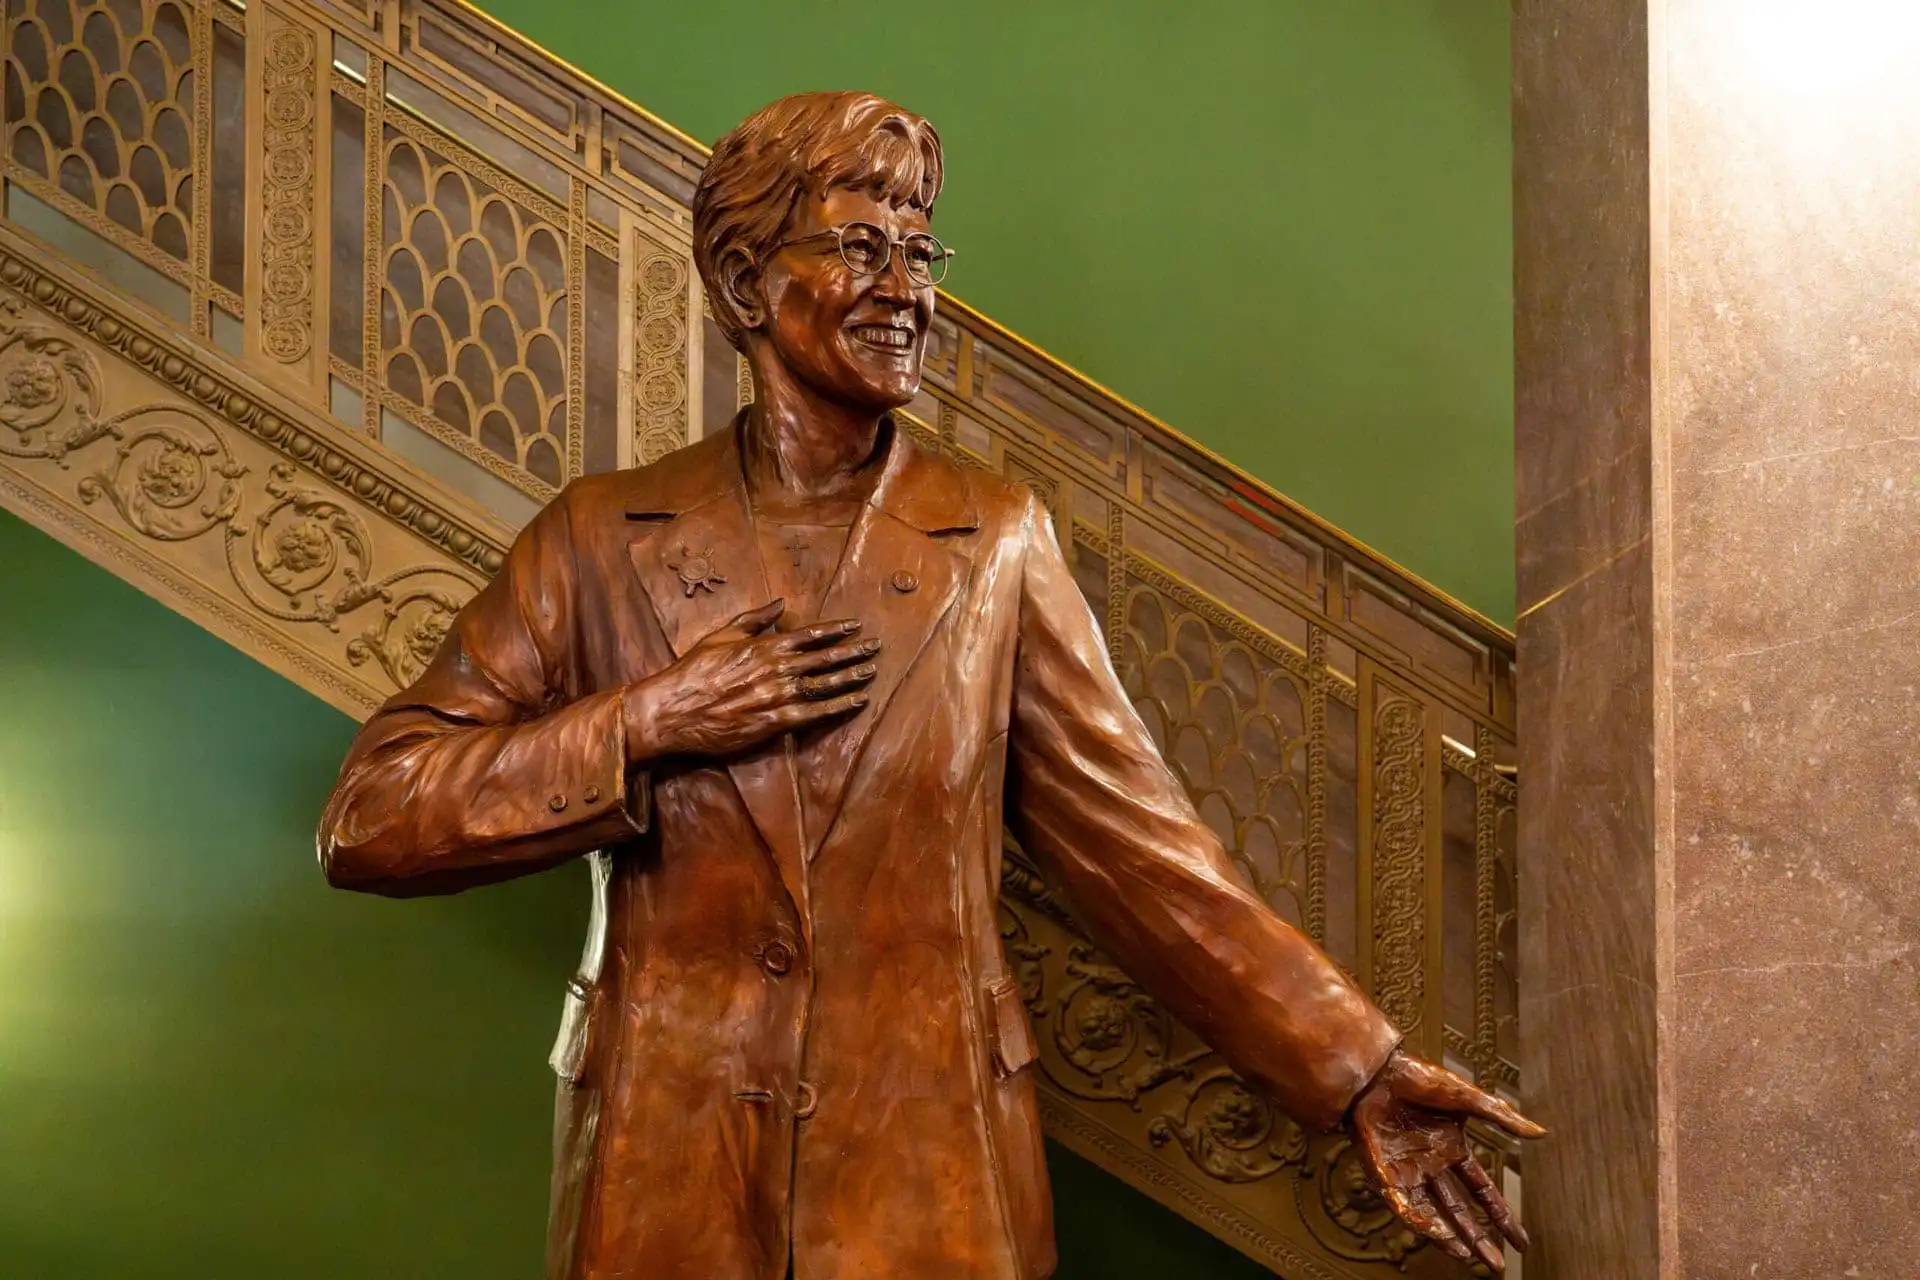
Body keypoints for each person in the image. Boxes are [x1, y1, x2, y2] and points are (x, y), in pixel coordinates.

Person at [318, 90, 1541, 1280]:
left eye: (920, 249)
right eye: (860, 247)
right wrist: (653, 719)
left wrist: (1359, 1066)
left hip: (925, 1153)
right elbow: (375, 813)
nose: (906, 289)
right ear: (746, 284)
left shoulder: (995, 538)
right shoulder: (597, 538)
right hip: (668, 1153)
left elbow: (1143, 851)